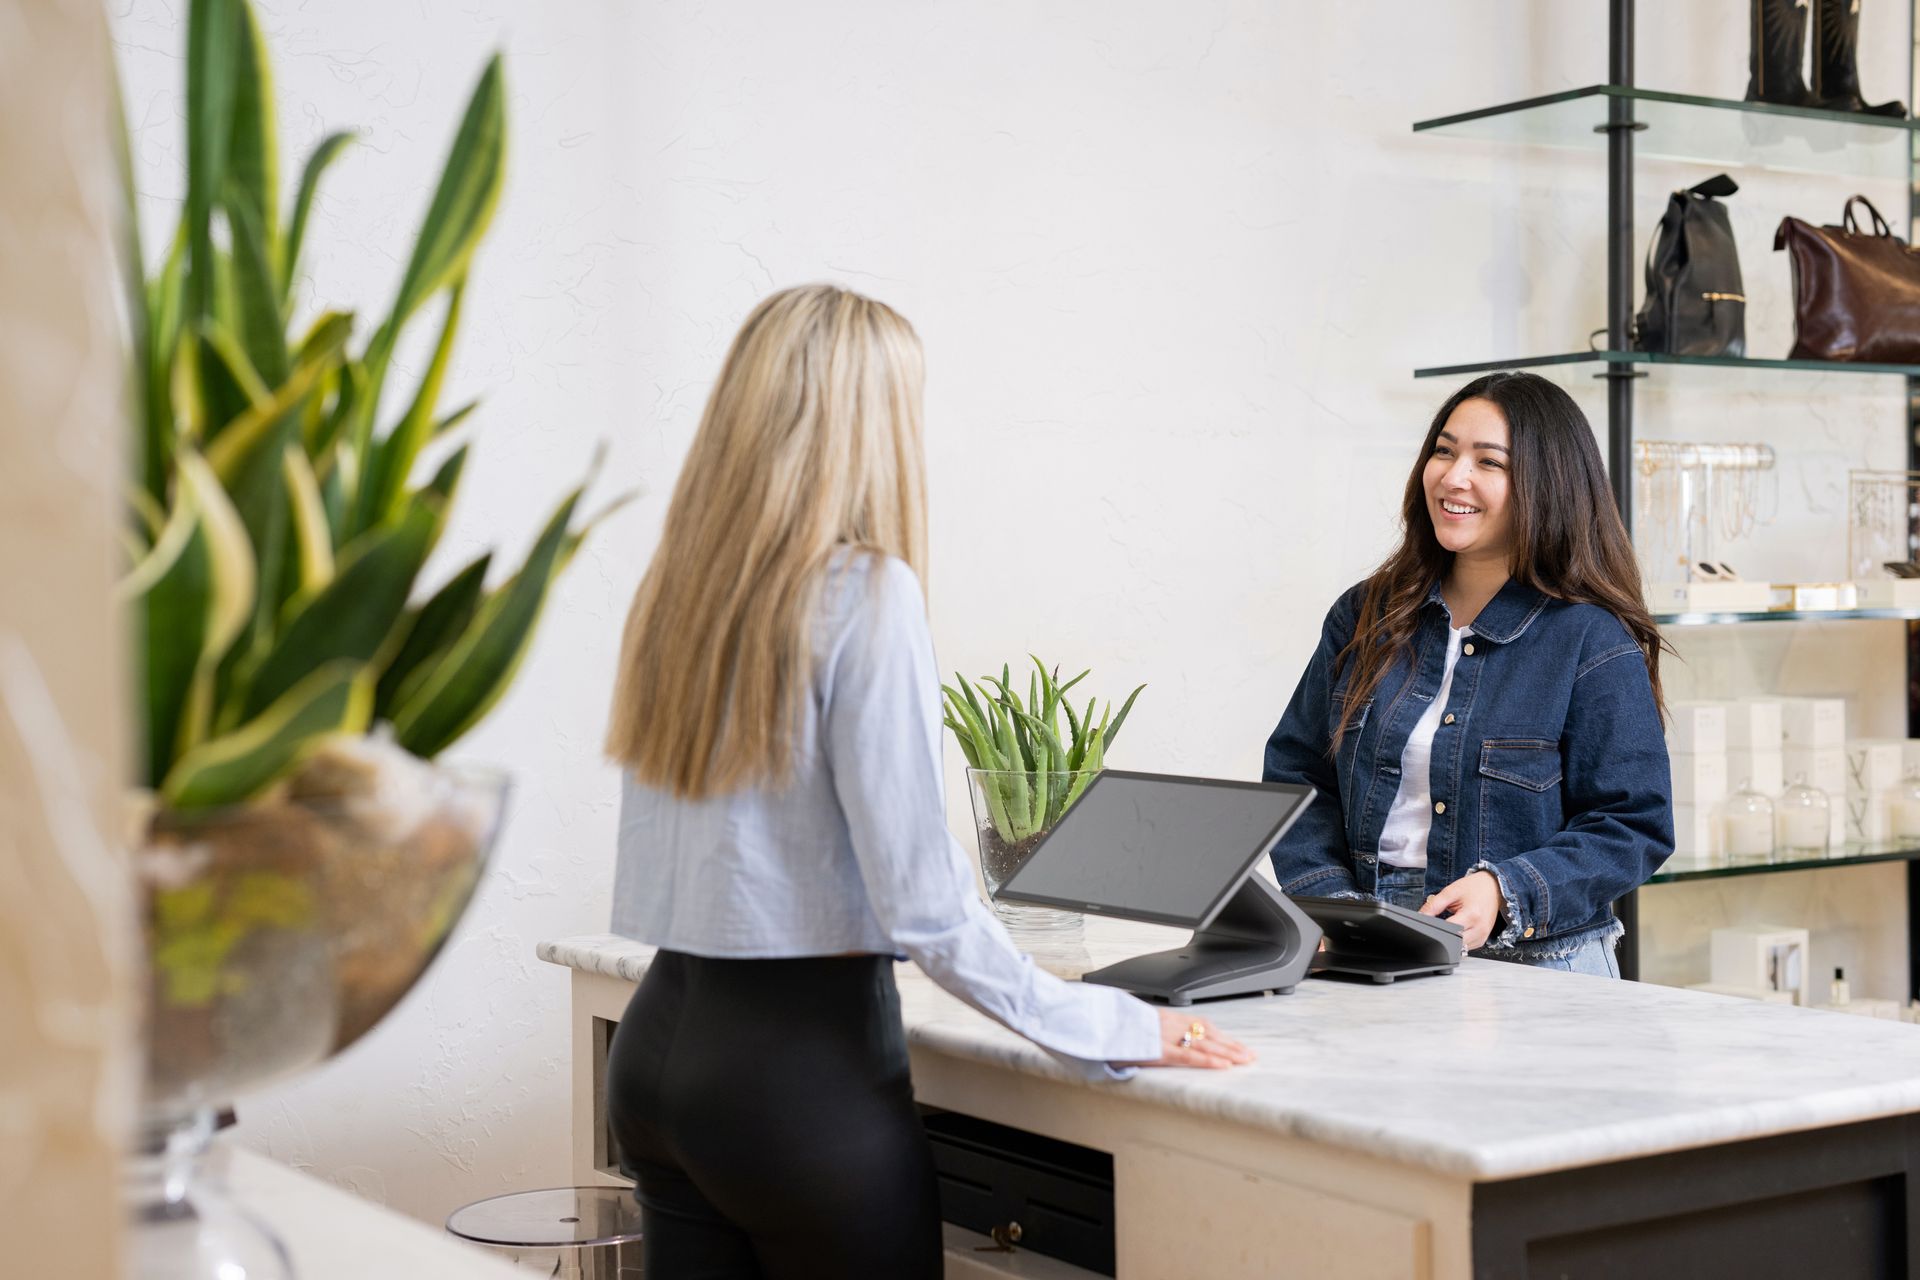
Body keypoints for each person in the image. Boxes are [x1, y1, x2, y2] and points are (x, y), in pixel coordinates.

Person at [601, 284, 1252, 1279]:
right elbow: (924, 905)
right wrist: (1109, 1024)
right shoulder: (864, 592)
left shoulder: (681, 592)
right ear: (867, 424)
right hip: (798, 1084)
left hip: (657, 1057)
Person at [1262, 371, 1673, 976]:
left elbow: (1634, 824)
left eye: (1490, 462)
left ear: (1547, 484)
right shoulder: (1365, 614)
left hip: (1539, 966)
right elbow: (1297, 772)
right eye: (1444, 451)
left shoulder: (1589, 639)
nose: (1454, 477)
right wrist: (1329, 899)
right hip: (1366, 948)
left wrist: (1505, 891)